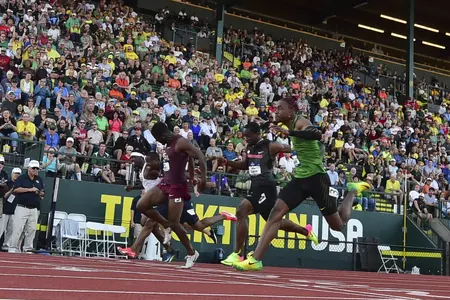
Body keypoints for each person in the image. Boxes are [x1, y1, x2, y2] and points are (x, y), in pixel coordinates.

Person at [233, 98, 370, 271]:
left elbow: (317, 134)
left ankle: (352, 191)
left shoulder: (300, 122)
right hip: (300, 177)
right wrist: (268, 122)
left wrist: (288, 132)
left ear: (290, 111)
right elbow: (270, 123)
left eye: (280, 109)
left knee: (338, 226)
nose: (276, 111)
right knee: (276, 212)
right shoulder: (287, 123)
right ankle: (256, 260)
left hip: (317, 178)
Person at [219, 122, 318, 267]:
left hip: (266, 188)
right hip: (255, 187)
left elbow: (292, 149)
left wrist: (307, 141)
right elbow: (245, 165)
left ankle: (237, 254)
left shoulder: (271, 146)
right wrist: (228, 162)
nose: (245, 139)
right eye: (244, 136)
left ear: (257, 134)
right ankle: (306, 231)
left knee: (241, 210)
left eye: (248, 136)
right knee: (276, 222)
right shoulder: (249, 147)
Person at [136, 122, 209, 268]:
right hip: (165, 183)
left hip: (177, 186)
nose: (158, 141)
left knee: (176, 223)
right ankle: (166, 225)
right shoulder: (167, 143)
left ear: (163, 135)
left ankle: (191, 252)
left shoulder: (180, 141)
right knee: (141, 205)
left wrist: (203, 179)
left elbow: (199, 156)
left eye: (158, 138)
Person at [8, 160, 45, 253]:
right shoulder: (22, 178)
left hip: (34, 209)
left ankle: (27, 248)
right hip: (22, 207)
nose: (35, 170)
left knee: (32, 229)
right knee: (17, 228)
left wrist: (40, 193)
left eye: (37, 168)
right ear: (28, 168)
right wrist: (30, 190)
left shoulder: (39, 179)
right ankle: (13, 247)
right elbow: (16, 189)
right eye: (33, 168)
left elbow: (43, 192)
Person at [0, 167, 21, 250]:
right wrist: (12, 189)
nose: (17, 175)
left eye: (18, 174)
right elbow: (5, 196)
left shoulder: (21, 184)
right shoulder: (7, 183)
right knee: (1, 229)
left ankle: (6, 246)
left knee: (11, 230)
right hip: (5, 210)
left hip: (14, 210)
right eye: (15, 173)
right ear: (12, 173)